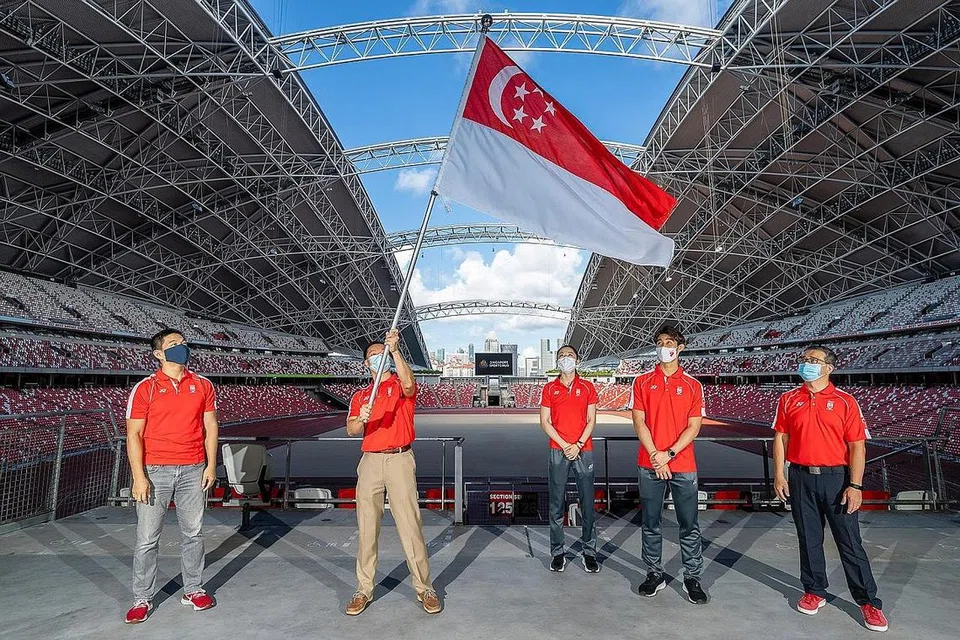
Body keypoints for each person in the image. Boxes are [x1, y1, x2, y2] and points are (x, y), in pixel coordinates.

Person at [772, 345, 888, 632]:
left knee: (849, 541)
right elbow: (780, 438)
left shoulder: (846, 401)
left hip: (836, 478)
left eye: (814, 360)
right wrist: (779, 474)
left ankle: (868, 602)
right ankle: (814, 590)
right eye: (804, 359)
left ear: (829, 368)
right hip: (800, 476)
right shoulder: (788, 399)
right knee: (808, 538)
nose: (806, 364)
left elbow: (857, 446)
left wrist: (855, 485)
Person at [344, 329, 441, 616]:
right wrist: (360, 419)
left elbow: (411, 384)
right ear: (365, 364)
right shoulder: (361, 396)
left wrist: (395, 350)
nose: (377, 359)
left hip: (400, 459)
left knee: (410, 525)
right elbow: (351, 430)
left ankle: (425, 588)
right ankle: (363, 589)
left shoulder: (399, 384)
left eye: (381, 355)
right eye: (373, 356)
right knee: (367, 528)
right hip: (371, 461)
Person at [124, 329, 218, 624]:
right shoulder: (145, 388)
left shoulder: (202, 384)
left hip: (193, 468)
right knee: (148, 539)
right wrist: (139, 477)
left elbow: (211, 427)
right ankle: (142, 597)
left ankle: (193, 588)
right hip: (156, 471)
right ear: (159, 354)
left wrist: (211, 465)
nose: (182, 347)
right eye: (173, 344)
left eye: (183, 343)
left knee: (193, 534)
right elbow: (133, 434)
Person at [631, 325, 708, 604]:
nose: (665, 346)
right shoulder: (641, 382)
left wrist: (669, 454)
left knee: (689, 523)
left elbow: (693, 427)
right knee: (650, 522)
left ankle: (692, 577)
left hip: (683, 464)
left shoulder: (692, 385)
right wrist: (656, 455)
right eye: (660, 342)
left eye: (670, 342)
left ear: (681, 347)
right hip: (649, 462)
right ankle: (654, 573)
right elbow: (639, 421)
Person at [540, 344, 600, 573]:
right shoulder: (549, 388)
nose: (566, 359)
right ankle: (557, 552)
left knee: (587, 504)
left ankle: (589, 552)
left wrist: (578, 444)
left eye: (570, 355)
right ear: (557, 361)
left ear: (577, 360)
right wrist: (566, 445)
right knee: (556, 504)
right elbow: (545, 422)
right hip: (558, 450)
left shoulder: (587, 388)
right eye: (562, 356)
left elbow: (591, 420)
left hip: (583, 450)